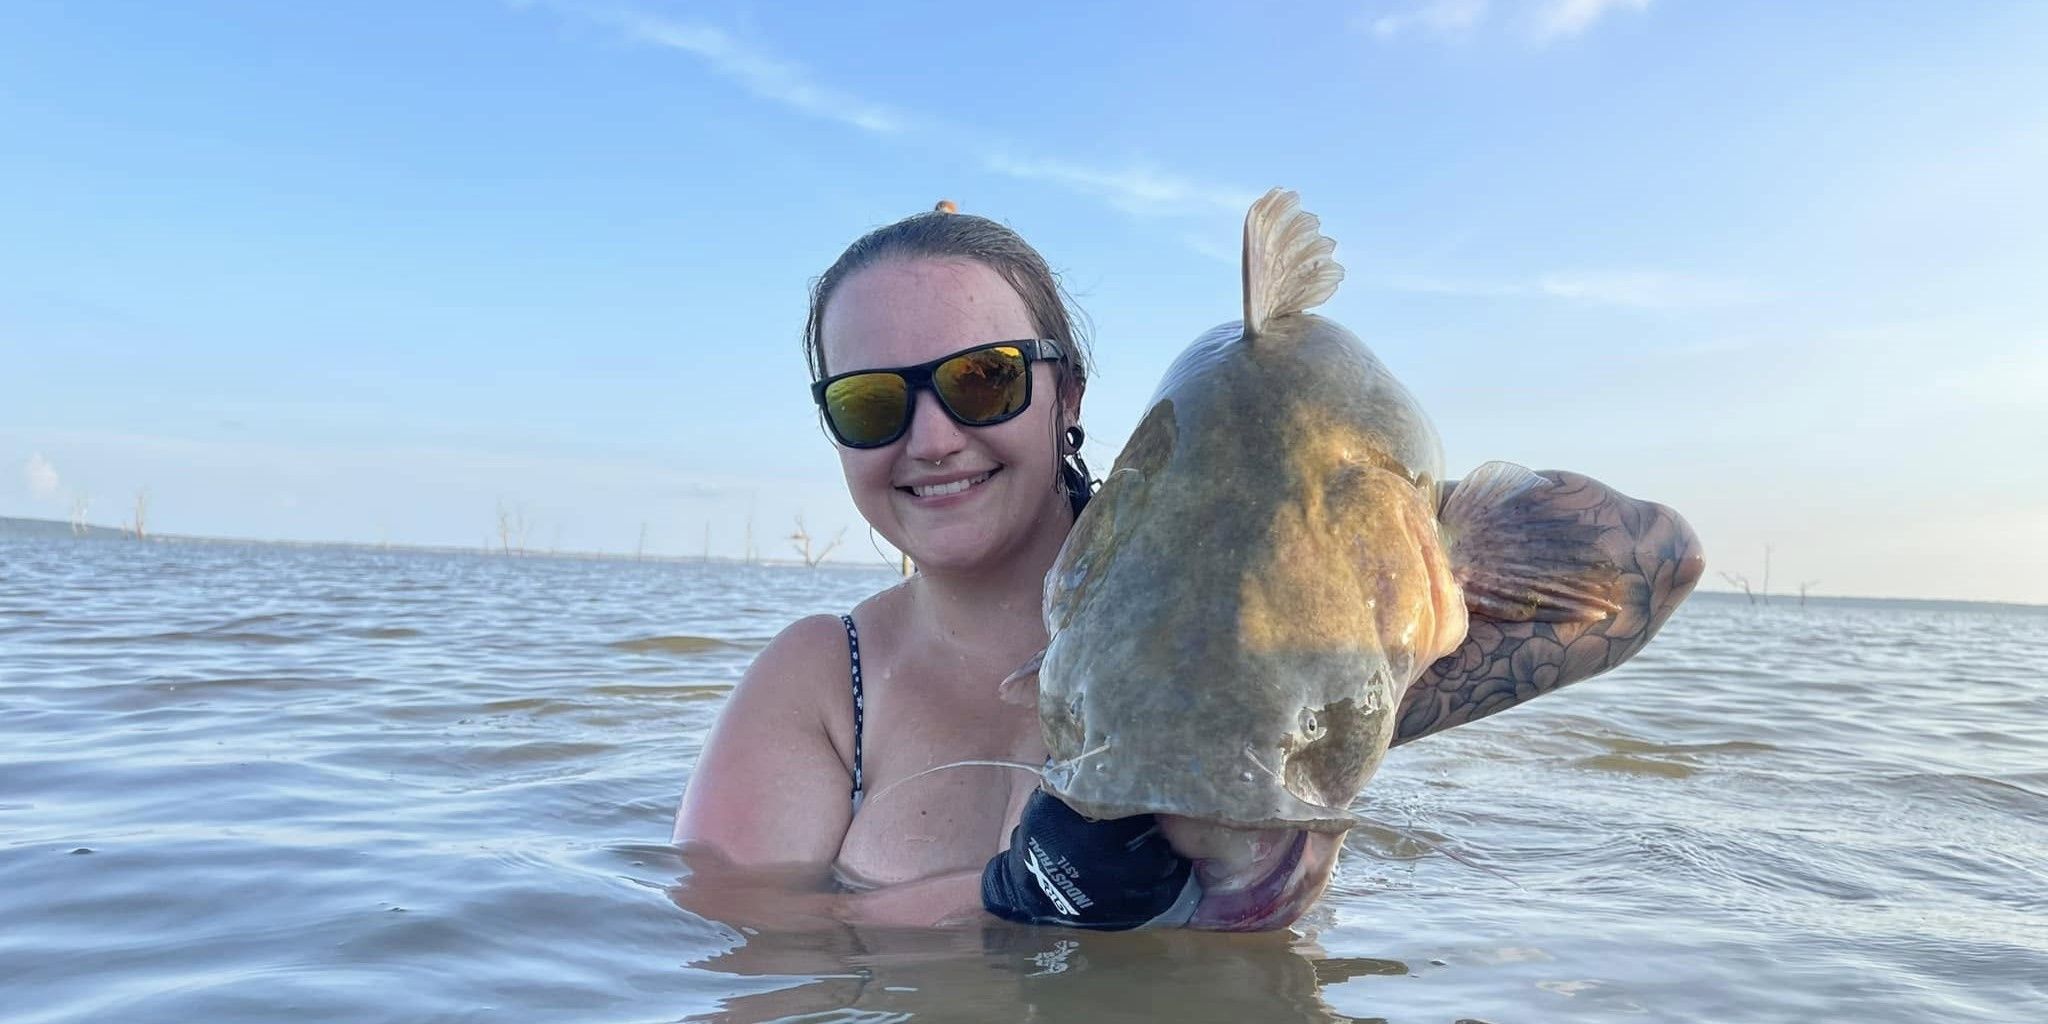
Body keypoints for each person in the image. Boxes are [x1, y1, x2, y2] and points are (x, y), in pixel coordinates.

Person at [670, 202, 1705, 932]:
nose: (931, 437)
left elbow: (1653, 564)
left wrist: (1373, 653)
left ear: (1066, 394)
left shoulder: (1293, 608)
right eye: (869, 402)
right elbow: (722, 934)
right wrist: (1005, 896)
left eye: (981, 380)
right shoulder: (819, 679)